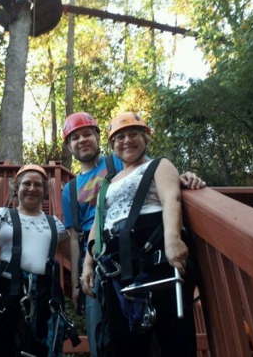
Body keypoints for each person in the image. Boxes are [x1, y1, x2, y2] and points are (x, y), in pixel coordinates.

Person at [61, 112, 205, 357]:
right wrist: (86, 265)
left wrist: (173, 235)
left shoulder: (123, 163)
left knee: (170, 335)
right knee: (116, 337)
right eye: (75, 137)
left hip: (149, 247)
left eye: (87, 134)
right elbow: (94, 223)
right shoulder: (76, 188)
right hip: (109, 260)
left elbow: (161, 187)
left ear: (98, 138)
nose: (126, 141)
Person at [0, 164, 72, 357]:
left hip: (45, 294)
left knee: (42, 349)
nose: (31, 188)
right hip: (6, 290)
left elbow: (74, 254)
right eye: (26, 184)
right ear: (17, 188)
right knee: (1, 345)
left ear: (44, 191)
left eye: (38, 185)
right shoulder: (2, 216)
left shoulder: (55, 224)